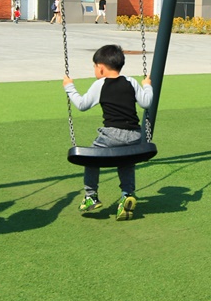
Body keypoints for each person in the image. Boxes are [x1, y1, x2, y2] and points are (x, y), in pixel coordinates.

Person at [64, 44, 154, 220]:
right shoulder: (131, 82)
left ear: (102, 68)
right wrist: (147, 85)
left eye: (94, 67)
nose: (95, 71)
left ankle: (91, 196)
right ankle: (127, 195)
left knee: (90, 158)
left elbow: (82, 105)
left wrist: (69, 87)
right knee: (127, 161)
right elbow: (146, 103)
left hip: (112, 135)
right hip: (135, 136)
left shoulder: (100, 84)